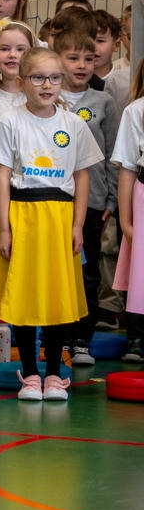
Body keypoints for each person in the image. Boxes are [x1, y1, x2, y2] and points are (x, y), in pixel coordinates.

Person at [0, 47, 100, 401]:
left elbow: (82, 176)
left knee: (55, 295)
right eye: (38, 78)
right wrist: (5, 228)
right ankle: (31, 374)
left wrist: (78, 224)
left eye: (54, 78)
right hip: (23, 215)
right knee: (23, 295)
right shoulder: (10, 122)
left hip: (59, 218)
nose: (47, 85)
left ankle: (53, 374)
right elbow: (3, 178)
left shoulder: (73, 124)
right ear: (21, 82)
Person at [55, 24, 120, 361]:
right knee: (58, 273)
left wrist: (111, 199)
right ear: (57, 60)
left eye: (89, 59)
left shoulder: (104, 102)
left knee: (87, 273)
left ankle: (82, 338)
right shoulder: (49, 100)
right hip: (53, 201)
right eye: (73, 58)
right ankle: (60, 337)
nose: (82, 65)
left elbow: (112, 155)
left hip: (93, 202)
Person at [109, 66, 144, 362]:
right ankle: (138, 337)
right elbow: (128, 168)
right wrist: (125, 220)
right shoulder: (136, 110)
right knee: (141, 272)